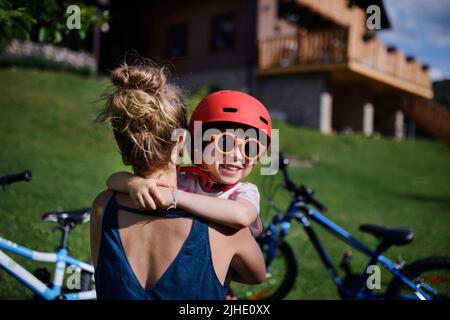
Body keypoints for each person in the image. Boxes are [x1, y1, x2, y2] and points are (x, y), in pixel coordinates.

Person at [90, 63, 265, 300]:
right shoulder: (226, 231)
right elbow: (257, 275)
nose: (235, 155)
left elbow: (243, 214)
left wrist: (164, 194)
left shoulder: (102, 206)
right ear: (185, 143)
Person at [106, 90, 273, 237]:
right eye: (225, 143)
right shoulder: (184, 180)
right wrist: (134, 183)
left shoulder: (244, 193)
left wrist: (176, 197)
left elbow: (241, 215)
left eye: (251, 148)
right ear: (198, 145)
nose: (237, 155)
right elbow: (112, 181)